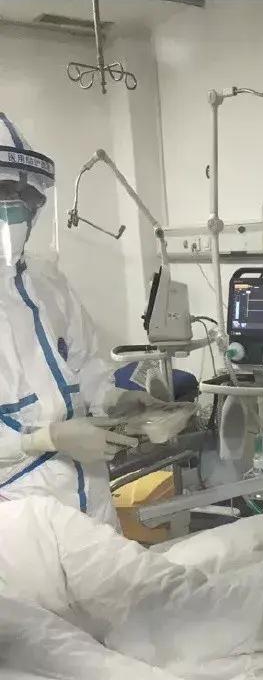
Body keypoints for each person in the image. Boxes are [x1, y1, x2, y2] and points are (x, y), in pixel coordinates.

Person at [0, 113, 155, 526]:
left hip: (88, 492)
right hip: (16, 506)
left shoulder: (46, 281)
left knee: (110, 568)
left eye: (22, 193)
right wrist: (43, 438)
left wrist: (113, 399)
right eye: (2, 191)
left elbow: (84, 362)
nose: (14, 207)